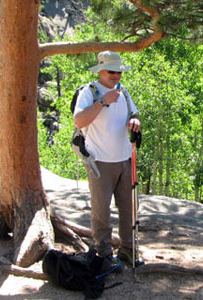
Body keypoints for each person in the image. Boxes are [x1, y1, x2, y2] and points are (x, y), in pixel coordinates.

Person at [73, 51, 144, 268]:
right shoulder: (90, 92)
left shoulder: (123, 91)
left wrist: (135, 121)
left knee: (128, 208)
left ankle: (128, 250)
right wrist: (102, 102)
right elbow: (79, 121)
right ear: (101, 71)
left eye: (119, 71)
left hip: (124, 159)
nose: (116, 75)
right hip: (100, 161)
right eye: (112, 71)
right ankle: (103, 254)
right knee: (101, 210)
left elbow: (135, 114)